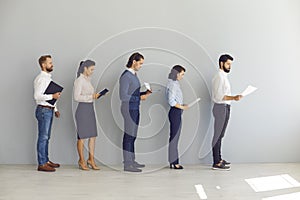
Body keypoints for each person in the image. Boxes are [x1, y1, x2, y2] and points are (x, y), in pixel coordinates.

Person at [119, 52, 151, 172]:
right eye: (140, 63)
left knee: (133, 135)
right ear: (134, 62)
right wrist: (139, 98)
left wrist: (144, 94)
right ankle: (127, 164)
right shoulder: (126, 76)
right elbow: (123, 96)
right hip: (129, 109)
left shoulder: (134, 75)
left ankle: (132, 160)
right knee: (129, 136)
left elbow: (132, 93)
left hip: (135, 108)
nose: (141, 66)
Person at [211, 54, 243, 170]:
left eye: (230, 64)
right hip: (220, 107)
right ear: (221, 63)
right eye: (228, 64)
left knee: (221, 135)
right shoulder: (219, 76)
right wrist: (233, 98)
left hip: (225, 107)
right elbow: (219, 96)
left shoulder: (223, 76)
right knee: (218, 135)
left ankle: (219, 158)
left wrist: (233, 99)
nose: (230, 66)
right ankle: (216, 162)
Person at [74, 60, 103, 170]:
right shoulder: (79, 80)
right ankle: (81, 160)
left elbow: (89, 95)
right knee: (82, 137)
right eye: (91, 69)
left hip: (90, 109)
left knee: (93, 136)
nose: (92, 72)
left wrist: (95, 96)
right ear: (85, 68)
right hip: (82, 110)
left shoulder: (88, 80)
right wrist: (91, 97)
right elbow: (76, 97)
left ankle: (91, 159)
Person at [34, 55, 61, 172]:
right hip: (44, 110)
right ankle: (42, 163)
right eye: (50, 63)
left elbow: (49, 96)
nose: (52, 64)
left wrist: (55, 109)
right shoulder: (41, 79)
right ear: (43, 65)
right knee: (43, 137)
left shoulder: (48, 78)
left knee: (46, 137)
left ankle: (46, 160)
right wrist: (53, 96)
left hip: (48, 110)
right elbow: (37, 96)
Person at [166, 65, 188, 170]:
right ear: (177, 73)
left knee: (174, 137)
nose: (182, 76)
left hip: (176, 111)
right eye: (182, 74)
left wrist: (182, 106)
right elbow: (171, 101)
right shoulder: (173, 84)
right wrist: (182, 106)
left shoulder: (173, 83)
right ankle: (174, 162)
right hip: (175, 112)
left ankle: (173, 162)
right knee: (174, 138)